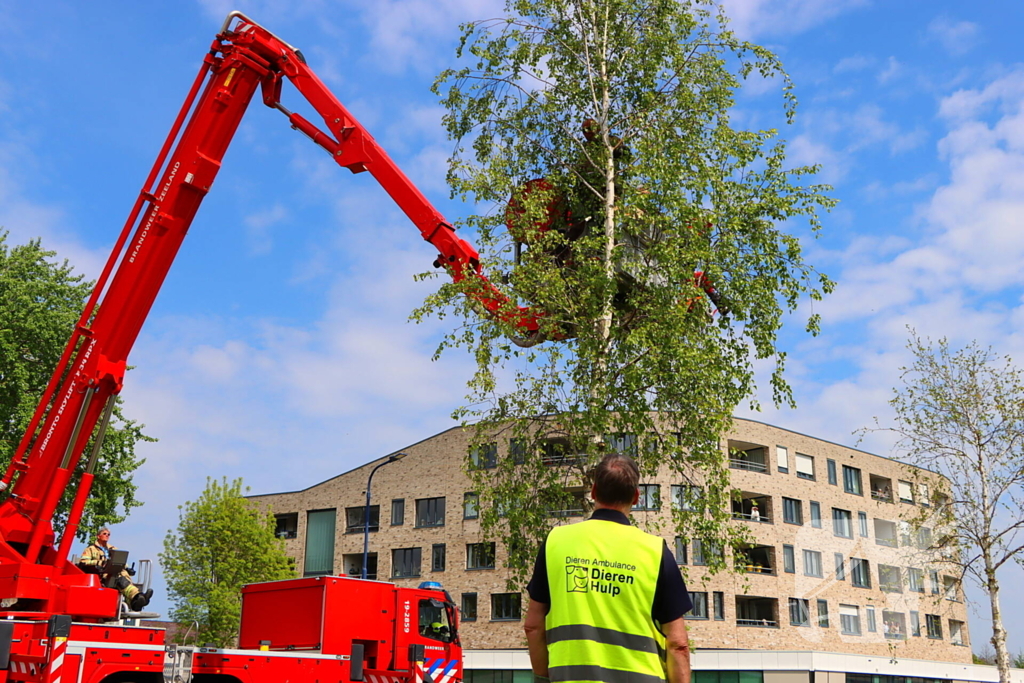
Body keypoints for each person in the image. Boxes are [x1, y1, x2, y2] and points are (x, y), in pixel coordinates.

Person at [524, 453, 692, 683]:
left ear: (593, 492)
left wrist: (543, 679)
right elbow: (678, 644)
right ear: (635, 497)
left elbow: (533, 626)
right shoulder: (654, 551)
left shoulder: (556, 541)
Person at [78, 528, 153, 611]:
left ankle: (138, 599)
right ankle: (137, 598)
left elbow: (120, 561)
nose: (107, 536)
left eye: (108, 534)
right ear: (98, 536)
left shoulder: (113, 549)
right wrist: (99, 563)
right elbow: (84, 561)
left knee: (122, 575)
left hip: (116, 572)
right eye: (104, 534)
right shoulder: (90, 549)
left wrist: (127, 568)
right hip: (102, 574)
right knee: (119, 578)